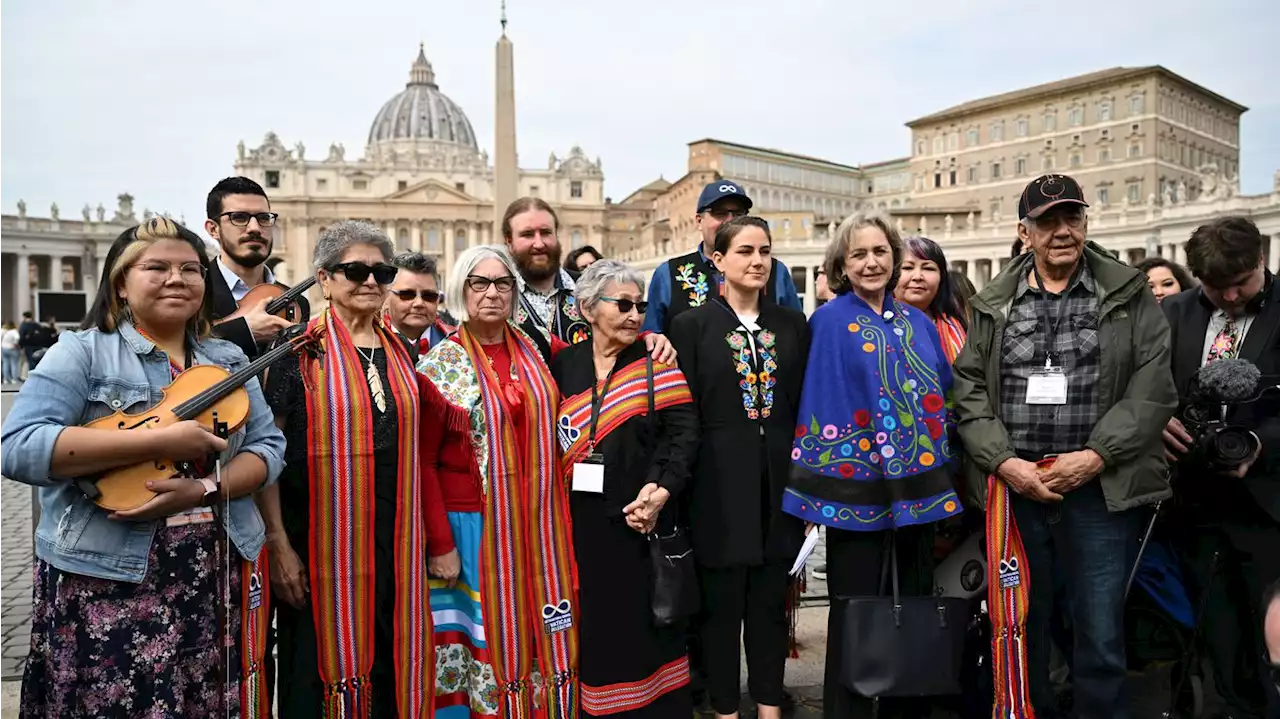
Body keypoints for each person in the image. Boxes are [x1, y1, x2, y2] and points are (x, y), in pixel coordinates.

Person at [0, 217, 285, 718]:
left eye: (190, 269)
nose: (177, 278)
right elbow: (18, 447)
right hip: (109, 577)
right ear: (121, 284)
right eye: (156, 267)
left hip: (211, 572)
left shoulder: (228, 357)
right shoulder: (81, 352)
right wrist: (158, 440)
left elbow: (267, 448)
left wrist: (205, 488)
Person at [952, 174, 1177, 719]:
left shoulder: (1127, 293)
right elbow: (969, 391)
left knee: (1099, 627)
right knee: (1023, 620)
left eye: (1071, 218)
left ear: (1085, 224)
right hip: (1019, 491)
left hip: (1098, 488)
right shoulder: (991, 302)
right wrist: (1005, 463)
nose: (1062, 231)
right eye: (1047, 221)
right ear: (1024, 233)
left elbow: (1153, 387)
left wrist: (1096, 456)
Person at [783, 213, 963, 719]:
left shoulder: (918, 321)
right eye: (858, 254)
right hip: (853, 496)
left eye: (880, 252)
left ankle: (908, 709)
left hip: (920, 493)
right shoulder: (828, 321)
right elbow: (818, 400)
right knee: (854, 614)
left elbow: (942, 395)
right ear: (842, 263)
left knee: (913, 607)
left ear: (894, 259)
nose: (871, 262)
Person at [257, 220, 433, 718]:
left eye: (383, 270)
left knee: (387, 658)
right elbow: (265, 452)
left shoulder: (400, 350)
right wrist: (279, 544)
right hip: (317, 540)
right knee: (313, 667)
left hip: (392, 541)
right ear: (324, 278)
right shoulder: (297, 350)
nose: (372, 281)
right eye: (355, 270)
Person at [417, 245, 579, 717]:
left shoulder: (538, 350)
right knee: (477, 639)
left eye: (502, 283)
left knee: (531, 630)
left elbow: (603, 353)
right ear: (461, 290)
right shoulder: (440, 364)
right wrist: (440, 543)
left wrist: (653, 340)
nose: (492, 293)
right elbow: (423, 463)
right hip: (471, 530)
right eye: (479, 283)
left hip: (536, 526)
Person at [668, 216, 809, 719]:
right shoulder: (691, 327)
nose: (757, 261)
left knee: (771, 608)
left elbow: (803, 406)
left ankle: (770, 707)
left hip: (779, 493)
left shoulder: (792, 325)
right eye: (745, 251)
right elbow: (681, 414)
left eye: (765, 251)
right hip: (716, 492)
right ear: (719, 261)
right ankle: (726, 710)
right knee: (721, 614)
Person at [549, 259, 700, 717]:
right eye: (624, 305)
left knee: (648, 622)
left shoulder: (654, 359)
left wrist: (660, 490)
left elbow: (684, 432)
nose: (636, 315)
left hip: (643, 518)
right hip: (581, 525)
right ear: (588, 308)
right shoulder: (562, 364)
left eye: (641, 306)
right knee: (597, 624)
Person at [1161, 216, 1280, 719]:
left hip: (1270, 507)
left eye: (1241, 285)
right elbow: (1146, 387)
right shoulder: (1173, 312)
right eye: (1217, 288)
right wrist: (1156, 420)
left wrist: (1260, 443)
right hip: (1194, 507)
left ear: (1263, 259)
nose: (1230, 298)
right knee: (1220, 637)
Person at [645, 181, 802, 335]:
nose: (729, 220)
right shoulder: (669, 274)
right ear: (699, 221)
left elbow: (796, 332)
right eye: (719, 213)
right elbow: (651, 338)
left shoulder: (775, 271)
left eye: (738, 214)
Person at [204, 176, 306, 359]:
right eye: (239, 218)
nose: (254, 228)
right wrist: (243, 331)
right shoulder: (194, 291)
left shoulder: (297, 302)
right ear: (213, 229)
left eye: (263, 218)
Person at [896, 235, 969, 363]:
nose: (917, 276)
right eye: (908, 268)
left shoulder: (958, 327)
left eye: (928, 268)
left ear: (941, 278)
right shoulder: (875, 324)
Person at [384, 250, 452, 360]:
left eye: (428, 296)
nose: (419, 303)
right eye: (407, 295)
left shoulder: (458, 345)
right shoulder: (368, 345)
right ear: (386, 297)